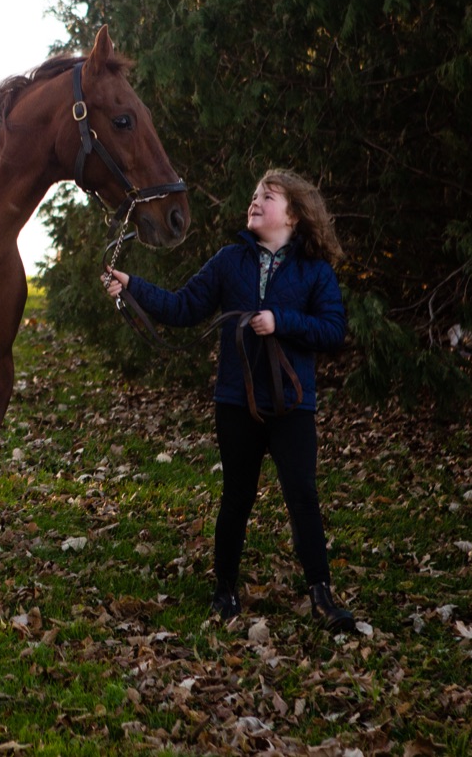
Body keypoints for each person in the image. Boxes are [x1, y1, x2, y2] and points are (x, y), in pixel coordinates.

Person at [103, 169, 356, 632]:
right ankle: (224, 592)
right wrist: (132, 286)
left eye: (268, 196)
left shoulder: (314, 271)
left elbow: (333, 331)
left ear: (294, 215)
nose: (255, 201)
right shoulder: (228, 261)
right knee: (236, 496)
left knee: (302, 495)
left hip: (292, 406)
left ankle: (322, 595)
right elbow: (183, 307)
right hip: (236, 401)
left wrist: (281, 321)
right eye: (255, 194)